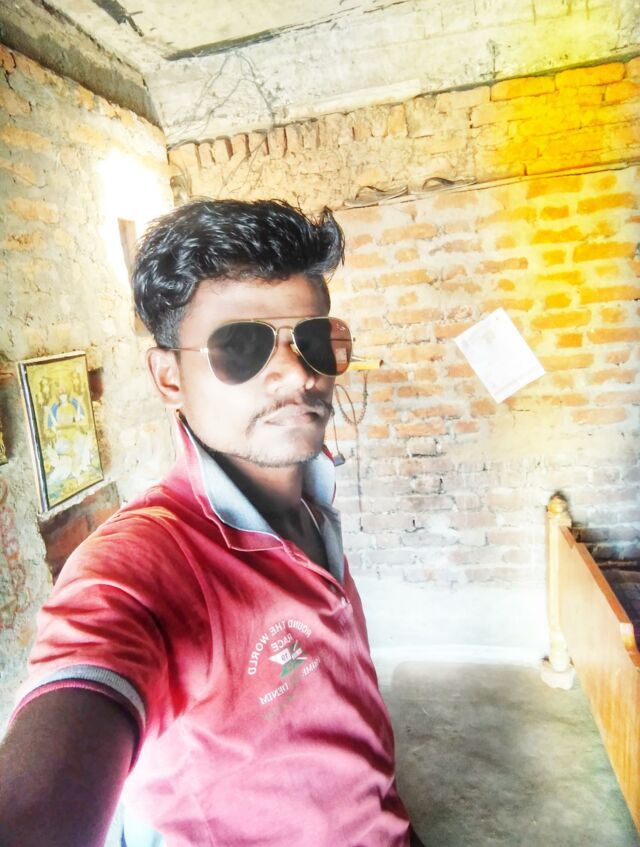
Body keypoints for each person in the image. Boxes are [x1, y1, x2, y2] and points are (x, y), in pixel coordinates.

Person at [0, 199, 424, 847]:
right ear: (169, 377)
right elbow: (51, 773)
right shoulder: (144, 566)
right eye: (241, 346)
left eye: (314, 338)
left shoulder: (314, 495)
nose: (297, 371)